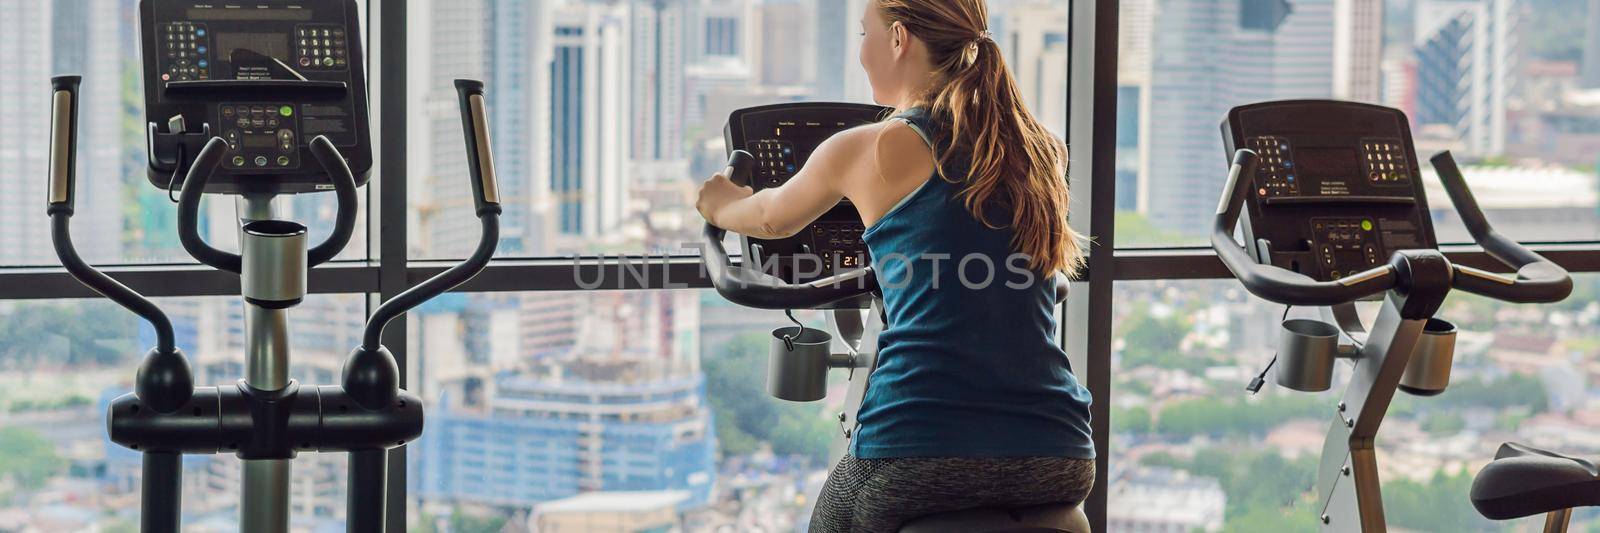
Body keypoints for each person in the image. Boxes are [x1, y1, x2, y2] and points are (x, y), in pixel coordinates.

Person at [695, 0, 1094, 530]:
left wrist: (716, 203)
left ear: (900, 38)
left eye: (867, 33)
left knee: (832, 517)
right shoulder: (1042, 149)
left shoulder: (873, 147)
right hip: (1060, 449)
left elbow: (768, 219)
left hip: (919, 448)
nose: (863, 51)